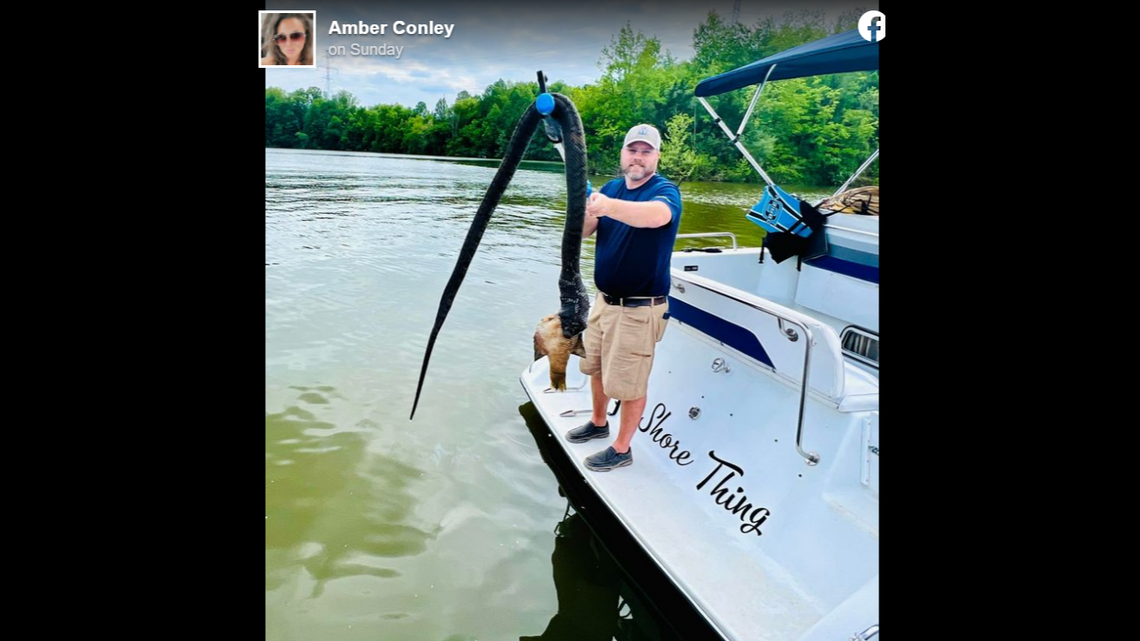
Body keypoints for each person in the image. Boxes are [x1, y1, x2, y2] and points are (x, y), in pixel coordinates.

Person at [566, 124, 682, 472]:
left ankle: (622, 448)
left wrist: (607, 205)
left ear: (657, 156)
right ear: (623, 154)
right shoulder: (612, 188)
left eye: (646, 151)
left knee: (630, 383)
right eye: (633, 150)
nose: (638, 157)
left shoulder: (665, 191)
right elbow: (584, 232)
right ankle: (599, 422)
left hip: (640, 308)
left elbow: (657, 217)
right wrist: (585, 205)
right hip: (604, 302)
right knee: (596, 367)